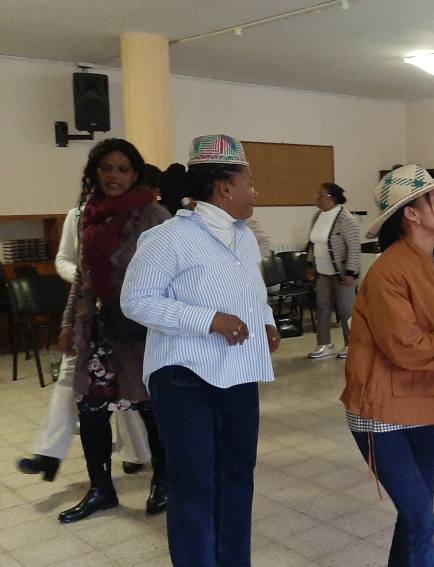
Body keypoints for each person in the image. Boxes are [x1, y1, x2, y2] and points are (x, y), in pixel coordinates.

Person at [121, 134, 281, 567]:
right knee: (195, 484)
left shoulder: (245, 237)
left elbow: (251, 290)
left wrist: (265, 320)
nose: (255, 192)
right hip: (184, 377)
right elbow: (136, 301)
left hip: (239, 373)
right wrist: (209, 320)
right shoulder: (167, 238)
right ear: (225, 188)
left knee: (237, 478)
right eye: (249, 182)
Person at [340, 164, 434, 566]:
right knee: (422, 520)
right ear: (411, 214)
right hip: (381, 410)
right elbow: (408, 348)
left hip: (420, 401)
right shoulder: (387, 272)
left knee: (414, 519)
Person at [55, 139, 171, 523]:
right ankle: (101, 489)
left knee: (150, 408)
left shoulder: (154, 215)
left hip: (141, 332)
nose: (114, 176)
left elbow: (173, 274)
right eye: (107, 167)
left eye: (123, 169)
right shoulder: (89, 215)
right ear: (95, 171)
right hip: (100, 330)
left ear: (135, 174)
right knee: (91, 409)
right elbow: (82, 276)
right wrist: (69, 323)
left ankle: (165, 480)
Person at [17, 204, 151, 482]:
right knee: (69, 378)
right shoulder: (77, 214)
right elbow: (63, 260)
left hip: (126, 310)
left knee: (126, 382)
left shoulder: (140, 212)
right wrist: (85, 274)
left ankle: (136, 453)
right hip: (87, 309)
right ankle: (48, 454)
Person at [307, 182, 360, 359]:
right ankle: (324, 344)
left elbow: (354, 247)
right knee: (322, 308)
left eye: (321, 195)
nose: (317, 198)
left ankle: (352, 344)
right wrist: (310, 265)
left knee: (346, 310)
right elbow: (313, 243)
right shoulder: (317, 216)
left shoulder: (346, 219)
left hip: (343, 273)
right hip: (322, 272)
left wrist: (351, 272)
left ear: (332, 199)